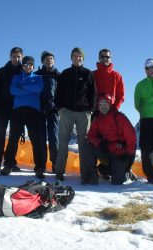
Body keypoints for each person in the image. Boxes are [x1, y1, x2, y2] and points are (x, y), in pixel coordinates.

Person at [54, 47, 96, 183]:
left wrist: (91, 109)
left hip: (83, 113)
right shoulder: (65, 74)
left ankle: (85, 174)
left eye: (80, 56)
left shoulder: (88, 73)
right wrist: (60, 109)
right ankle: (59, 171)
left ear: (83, 58)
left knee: (84, 145)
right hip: (67, 112)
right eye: (75, 56)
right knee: (63, 142)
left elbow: (93, 93)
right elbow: (58, 93)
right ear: (71, 58)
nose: (77, 58)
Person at [0, 56, 45, 178]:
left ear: (33, 66)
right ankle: (8, 165)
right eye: (25, 65)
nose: (28, 67)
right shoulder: (16, 77)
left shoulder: (38, 78)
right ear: (22, 66)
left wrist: (23, 86)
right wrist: (29, 90)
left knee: (36, 140)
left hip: (34, 112)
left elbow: (38, 89)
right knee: (13, 138)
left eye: (30, 65)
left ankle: (39, 167)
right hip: (18, 111)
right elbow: (13, 91)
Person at [82, 95, 136, 185]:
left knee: (117, 182)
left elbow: (131, 136)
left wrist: (130, 156)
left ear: (110, 104)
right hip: (106, 150)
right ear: (98, 106)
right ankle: (92, 177)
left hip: (119, 153)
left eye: (106, 103)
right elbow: (90, 136)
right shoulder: (98, 119)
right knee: (87, 147)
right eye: (101, 104)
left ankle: (126, 173)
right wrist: (99, 143)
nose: (103, 106)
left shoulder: (120, 117)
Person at [0, 47, 23, 172]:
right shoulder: (2, 71)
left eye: (18, 56)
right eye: (14, 56)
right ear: (10, 57)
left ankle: (10, 162)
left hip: (17, 108)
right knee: (0, 135)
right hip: (2, 107)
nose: (16, 58)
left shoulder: (23, 72)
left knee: (14, 136)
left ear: (21, 57)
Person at [35, 51, 60, 173]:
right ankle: (41, 164)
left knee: (54, 137)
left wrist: (56, 105)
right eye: (46, 59)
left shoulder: (58, 75)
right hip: (39, 109)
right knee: (41, 137)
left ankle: (56, 164)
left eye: (51, 58)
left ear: (54, 61)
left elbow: (62, 93)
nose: (49, 60)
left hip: (53, 109)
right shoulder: (37, 74)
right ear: (42, 61)